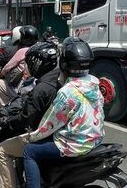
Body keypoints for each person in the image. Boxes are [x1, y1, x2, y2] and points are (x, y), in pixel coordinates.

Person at [21, 37, 104, 188]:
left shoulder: (67, 91)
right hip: (95, 139)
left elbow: (49, 124)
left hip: (74, 144)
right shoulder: (94, 83)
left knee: (29, 151)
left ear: (64, 63)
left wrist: (31, 137)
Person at [0, 42, 63, 188]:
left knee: (2, 150)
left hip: (45, 135)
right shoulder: (58, 78)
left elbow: (25, 118)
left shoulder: (42, 88)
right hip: (58, 132)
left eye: (31, 63)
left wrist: (6, 121)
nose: (29, 66)